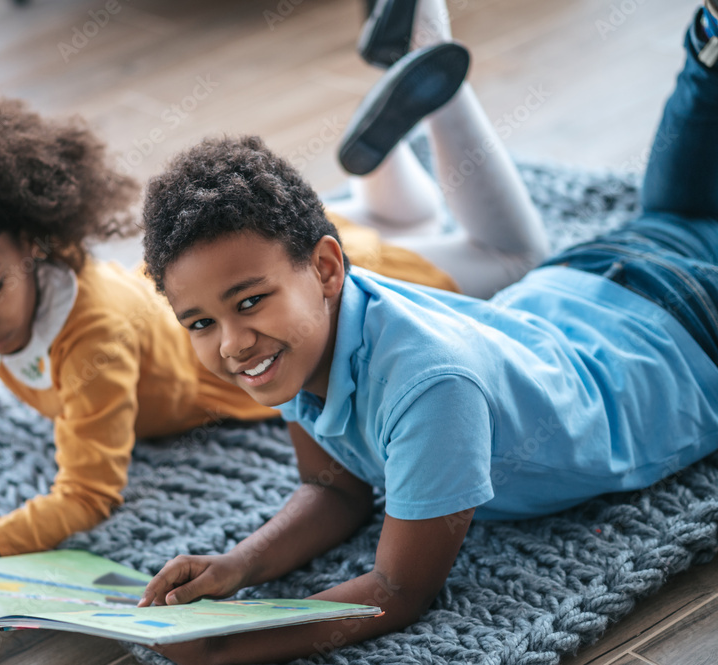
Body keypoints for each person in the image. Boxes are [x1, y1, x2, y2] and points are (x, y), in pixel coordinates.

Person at [134, 1, 718, 662]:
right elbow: (334, 488)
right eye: (202, 322)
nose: (233, 341)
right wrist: (236, 565)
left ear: (326, 267)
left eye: (249, 301)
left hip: (687, 336)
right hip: (586, 282)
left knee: (689, 214)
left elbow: (398, 588)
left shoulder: (428, 387)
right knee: (679, 211)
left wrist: (232, 645)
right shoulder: (292, 351)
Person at [0, 77, 465, 588]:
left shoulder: (93, 339)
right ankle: (397, 122)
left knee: (490, 255)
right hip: (291, 269)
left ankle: (435, 86)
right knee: (406, 213)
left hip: (356, 280)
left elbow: (85, 494)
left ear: (33, 244)